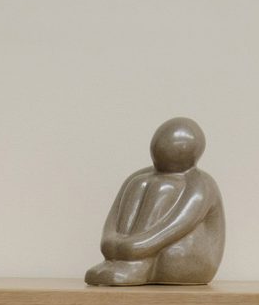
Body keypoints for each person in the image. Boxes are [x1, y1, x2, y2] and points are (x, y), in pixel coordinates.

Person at [85, 117, 225, 286]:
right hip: (128, 251)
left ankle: (139, 265)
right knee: (139, 183)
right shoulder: (138, 178)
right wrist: (110, 243)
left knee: (164, 187)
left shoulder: (201, 183)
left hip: (185, 257)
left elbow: (177, 225)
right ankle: (122, 263)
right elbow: (113, 218)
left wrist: (134, 247)